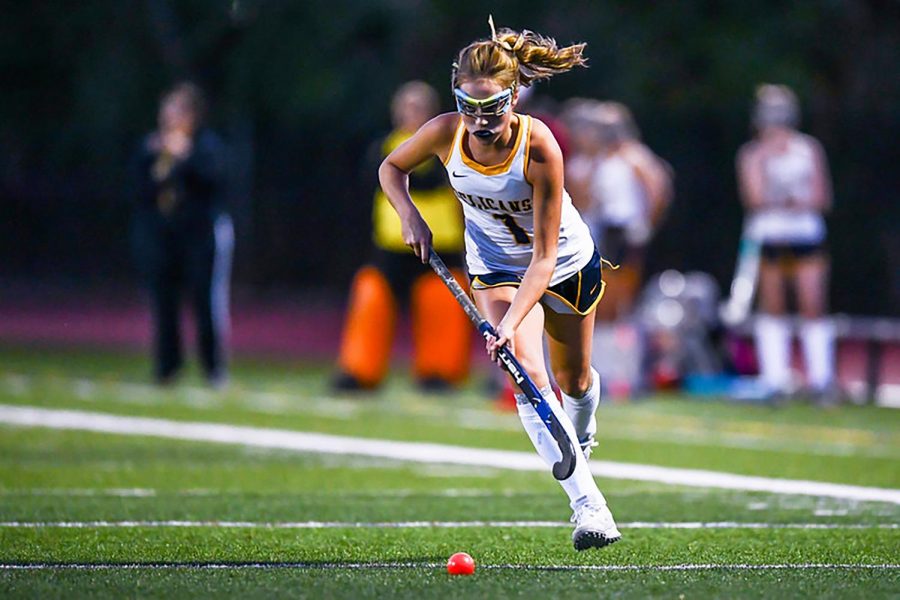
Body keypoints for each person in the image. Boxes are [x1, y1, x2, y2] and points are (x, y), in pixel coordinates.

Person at [378, 17, 620, 551]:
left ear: (515, 97)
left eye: (492, 109)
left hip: (561, 262)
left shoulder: (541, 148)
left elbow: (544, 255)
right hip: (494, 268)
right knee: (527, 375)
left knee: (573, 381)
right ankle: (590, 507)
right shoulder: (445, 131)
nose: (480, 121)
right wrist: (409, 214)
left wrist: (509, 323)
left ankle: (581, 429)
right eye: (469, 106)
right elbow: (391, 169)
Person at [334, 81, 471, 392]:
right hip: (393, 243)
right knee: (372, 297)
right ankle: (359, 369)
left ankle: (439, 372)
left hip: (441, 243)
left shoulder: (451, 146)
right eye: (407, 107)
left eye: (419, 107)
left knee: (441, 302)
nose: (412, 113)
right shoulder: (382, 148)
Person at [736, 84, 836, 403]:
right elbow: (754, 198)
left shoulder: (808, 149)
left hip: (806, 234)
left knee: (813, 304)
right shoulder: (753, 153)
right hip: (769, 235)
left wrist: (793, 201)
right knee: (773, 305)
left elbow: (822, 196)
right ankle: (775, 379)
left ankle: (821, 381)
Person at [130, 82, 233, 388]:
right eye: (168, 110)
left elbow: (216, 183)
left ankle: (212, 368)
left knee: (204, 302)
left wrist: (186, 158)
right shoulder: (151, 146)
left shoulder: (206, 146)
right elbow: (137, 190)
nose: (170, 117)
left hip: (198, 236)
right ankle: (167, 367)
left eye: (177, 110)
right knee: (163, 302)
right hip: (162, 236)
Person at [565, 100, 673, 321]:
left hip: (625, 229)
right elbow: (582, 199)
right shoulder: (591, 162)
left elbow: (658, 189)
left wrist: (648, 223)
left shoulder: (634, 156)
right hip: (600, 229)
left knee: (622, 286)